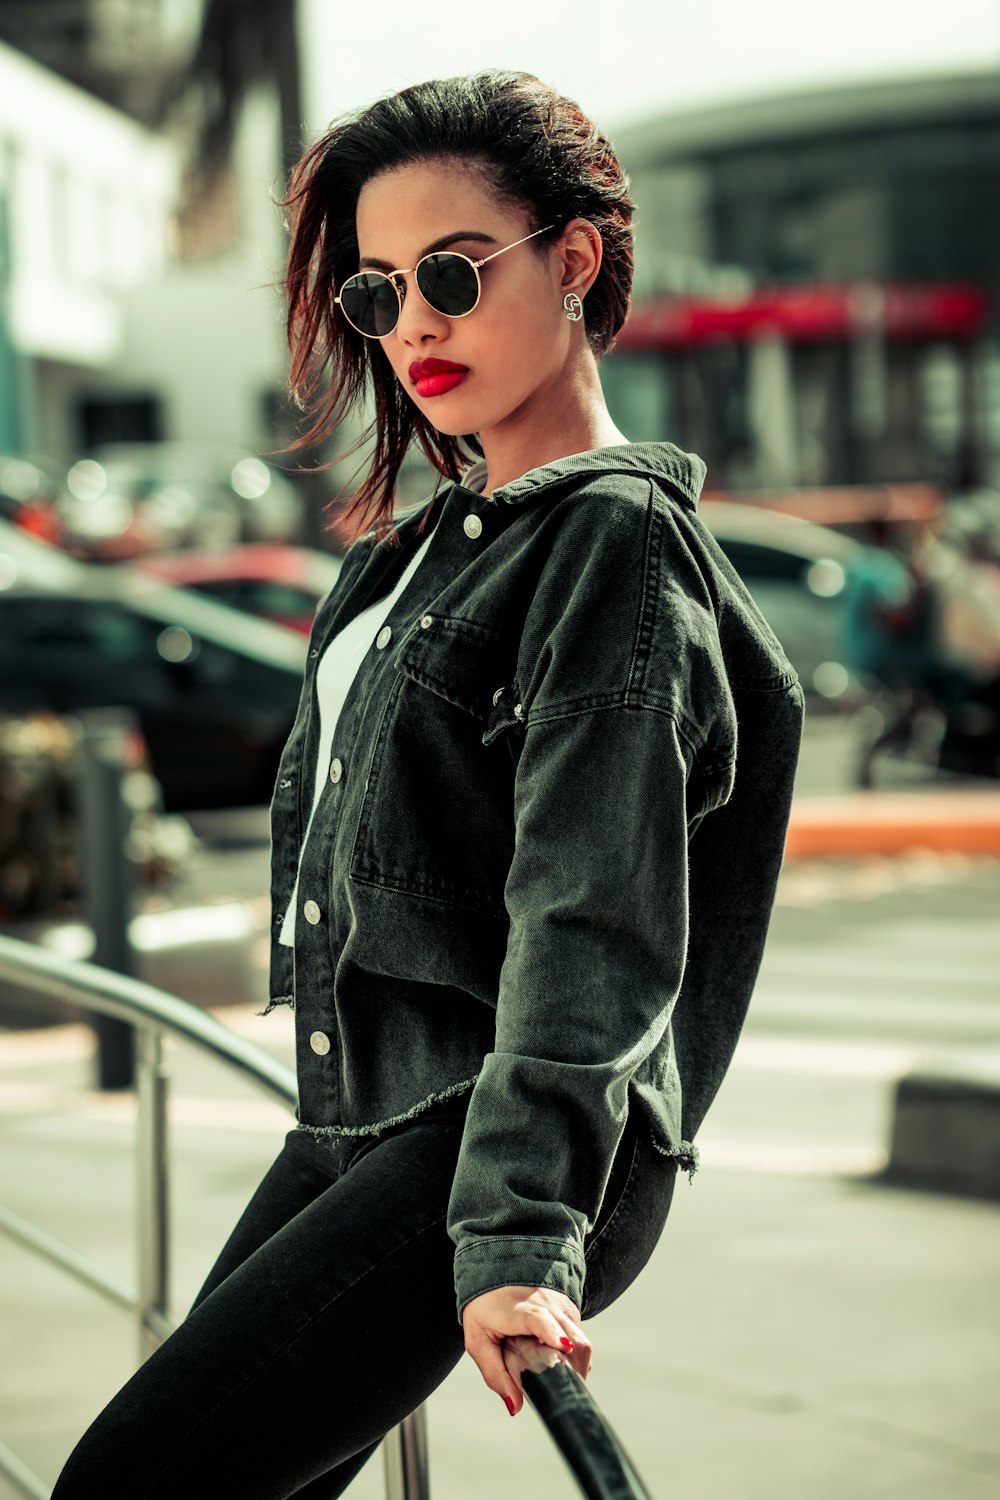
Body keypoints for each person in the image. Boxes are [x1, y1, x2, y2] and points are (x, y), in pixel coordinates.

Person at [52, 69, 804, 1498]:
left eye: (451, 273)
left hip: (499, 1139)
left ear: (575, 259)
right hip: (362, 1120)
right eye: (376, 295)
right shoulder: (415, 555)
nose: (414, 327)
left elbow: (594, 912)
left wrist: (521, 1235)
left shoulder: (613, 544)